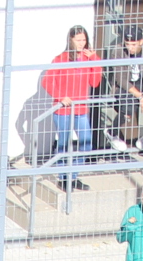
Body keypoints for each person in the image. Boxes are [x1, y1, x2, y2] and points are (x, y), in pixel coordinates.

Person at [41, 26, 103, 192]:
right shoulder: (60, 59)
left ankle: (72, 177)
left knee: (86, 143)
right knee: (64, 144)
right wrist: (61, 96)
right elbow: (47, 82)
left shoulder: (88, 59)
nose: (81, 43)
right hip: (63, 110)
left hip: (81, 109)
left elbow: (95, 82)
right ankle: (63, 178)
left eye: (84, 40)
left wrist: (95, 60)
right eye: (78, 40)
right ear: (71, 40)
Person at [105, 23, 143, 153]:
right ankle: (111, 132)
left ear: (141, 41)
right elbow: (121, 80)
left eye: (134, 44)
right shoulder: (118, 51)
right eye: (127, 44)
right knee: (128, 108)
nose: (130, 47)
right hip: (125, 86)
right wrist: (141, 97)